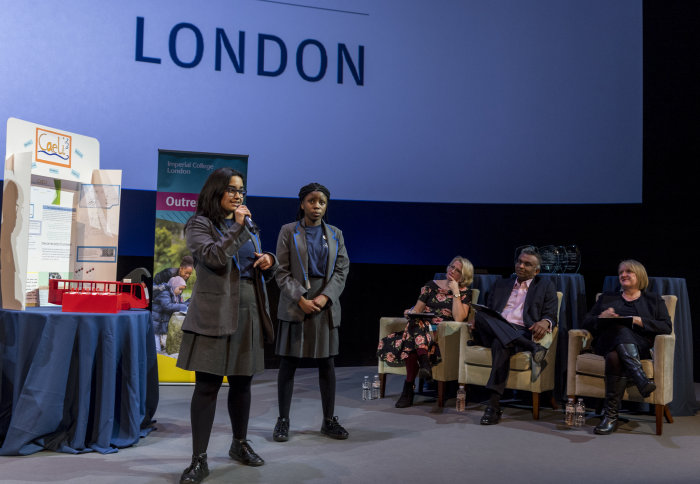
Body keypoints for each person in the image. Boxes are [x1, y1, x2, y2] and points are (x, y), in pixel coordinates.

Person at [175, 168, 277, 484]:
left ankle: (239, 444)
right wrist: (237, 228)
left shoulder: (244, 225)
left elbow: (249, 261)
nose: (238, 196)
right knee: (207, 387)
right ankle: (198, 460)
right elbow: (215, 258)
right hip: (214, 312)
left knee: (243, 383)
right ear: (216, 191)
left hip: (247, 310)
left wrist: (268, 260)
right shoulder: (198, 224)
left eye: (241, 191)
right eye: (231, 190)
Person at [273, 182, 350, 443]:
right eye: (311, 201)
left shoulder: (337, 234)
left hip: (324, 304)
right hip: (297, 303)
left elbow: (341, 270)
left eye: (322, 202)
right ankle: (283, 420)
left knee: (326, 364)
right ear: (302, 203)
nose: (316, 206)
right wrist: (301, 298)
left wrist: (325, 297)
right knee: (288, 363)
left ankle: (328, 421)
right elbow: (281, 271)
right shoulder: (288, 231)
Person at [582, 259, 671, 435]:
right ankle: (641, 380)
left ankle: (610, 417)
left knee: (615, 356)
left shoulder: (653, 300)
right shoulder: (607, 298)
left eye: (629, 271)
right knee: (619, 328)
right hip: (606, 342)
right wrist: (602, 317)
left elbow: (666, 327)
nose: (623, 275)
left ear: (640, 275)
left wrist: (639, 321)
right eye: (621, 272)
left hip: (639, 346)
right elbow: (586, 321)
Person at [472, 245, 558, 425]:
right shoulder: (501, 284)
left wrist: (546, 322)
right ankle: (533, 348)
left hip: (520, 331)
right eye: (519, 261)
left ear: (537, 270)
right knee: (480, 315)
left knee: (500, 343)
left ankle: (493, 407)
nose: (521, 266)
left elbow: (551, 314)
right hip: (497, 327)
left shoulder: (545, 286)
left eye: (527, 264)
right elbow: (490, 312)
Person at [376, 256, 474, 408]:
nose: (452, 271)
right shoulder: (430, 285)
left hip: (441, 333)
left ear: (464, 276)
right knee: (415, 322)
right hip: (420, 327)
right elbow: (418, 310)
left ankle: (408, 388)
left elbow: (459, 318)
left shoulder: (465, 292)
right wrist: (409, 312)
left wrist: (455, 291)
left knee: (412, 335)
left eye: (457, 270)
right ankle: (424, 363)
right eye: (451, 267)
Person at [152, 275, 189, 352]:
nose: (181, 291)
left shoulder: (175, 295)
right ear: (174, 285)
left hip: (160, 322)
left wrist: (188, 303)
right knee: (157, 349)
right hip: (155, 323)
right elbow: (167, 306)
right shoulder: (165, 293)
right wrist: (183, 306)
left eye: (182, 290)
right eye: (180, 289)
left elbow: (179, 304)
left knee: (158, 346)